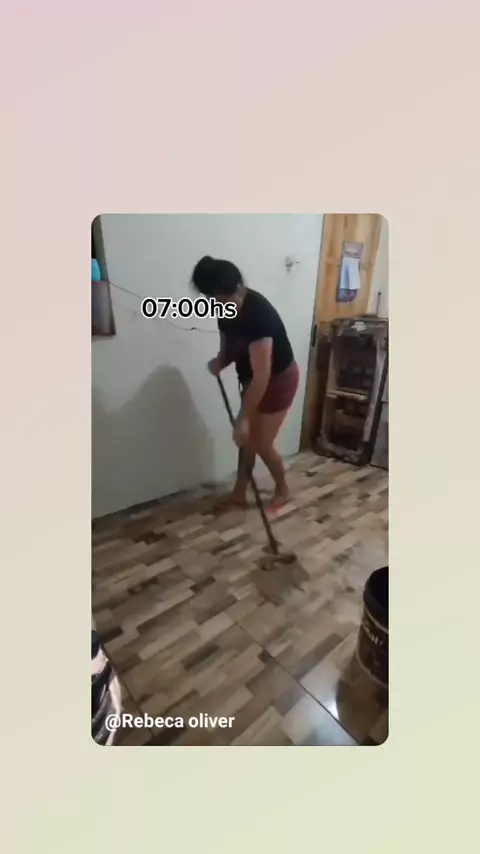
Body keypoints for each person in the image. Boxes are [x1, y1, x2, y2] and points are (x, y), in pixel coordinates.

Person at [191, 256, 299, 510]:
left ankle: (283, 489)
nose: (223, 305)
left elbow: (263, 376)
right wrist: (221, 361)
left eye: (228, 297)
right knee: (247, 441)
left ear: (238, 286)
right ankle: (239, 493)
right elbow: (229, 347)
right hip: (253, 380)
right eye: (215, 300)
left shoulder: (260, 315)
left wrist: (243, 419)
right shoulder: (222, 309)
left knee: (261, 443)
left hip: (279, 380)